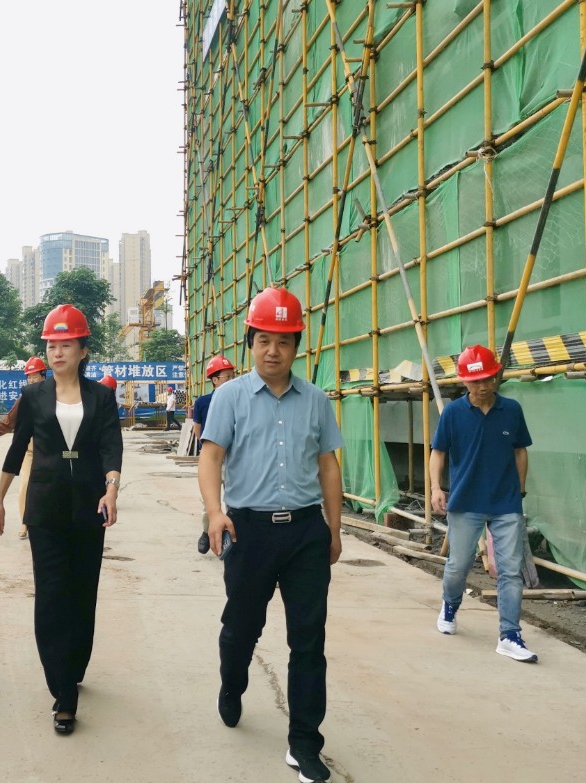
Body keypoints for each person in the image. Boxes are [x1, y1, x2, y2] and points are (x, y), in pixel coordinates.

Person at [198, 287, 343, 783]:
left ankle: (304, 742)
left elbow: (328, 466)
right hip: (249, 531)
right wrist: (214, 513)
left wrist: (334, 529)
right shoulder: (229, 397)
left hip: (305, 532)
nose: (273, 351)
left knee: (309, 640)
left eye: (283, 341)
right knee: (241, 627)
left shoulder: (316, 401)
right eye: (263, 340)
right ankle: (232, 682)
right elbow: (211, 457)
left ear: (296, 345)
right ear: (250, 344)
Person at [0, 304, 123, 736]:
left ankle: (75, 666)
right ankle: (63, 693)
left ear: (83, 350)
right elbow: (17, 448)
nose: (57, 352)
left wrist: (111, 487)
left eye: (66, 344)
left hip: (88, 508)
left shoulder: (101, 397)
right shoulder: (33, 396)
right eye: (52, 345)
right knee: (51, 596)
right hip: (45, 509)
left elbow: (111, 446)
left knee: (83, 594)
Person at [429, 344, 536, 662]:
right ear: (464, 381)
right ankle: (450, 604)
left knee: (510, 571)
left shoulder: (512, 410)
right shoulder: (453, 413)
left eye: (488, 378)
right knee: (458, 566)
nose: (483, 386)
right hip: (465, 501)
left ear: (496, 376)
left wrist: (520, 490)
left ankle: (509, 635)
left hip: (506, 502)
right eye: (476, 381)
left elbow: (520, 451)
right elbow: (438, 452)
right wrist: (436, 488)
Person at [0, 356, 48, 539]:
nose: (31, 380)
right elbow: (9, 422)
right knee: (25, 487)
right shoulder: (25, 399)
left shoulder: (54, 395)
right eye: (29, 377)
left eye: (35, 376)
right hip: (30, 452)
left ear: (43, 375)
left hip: (50, 452)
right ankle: (24, 522)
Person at [192, 355, 236, 554]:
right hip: (213, 458)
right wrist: (209, 451)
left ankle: (233, 536)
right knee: (209, 500)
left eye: (233, 376)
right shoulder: (203, 402)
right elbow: (197, 429)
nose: (232, 380)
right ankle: (206, 531)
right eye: (227, 377)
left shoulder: (239, 400)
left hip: (234, 458)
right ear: (215, 380)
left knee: (235, 499)